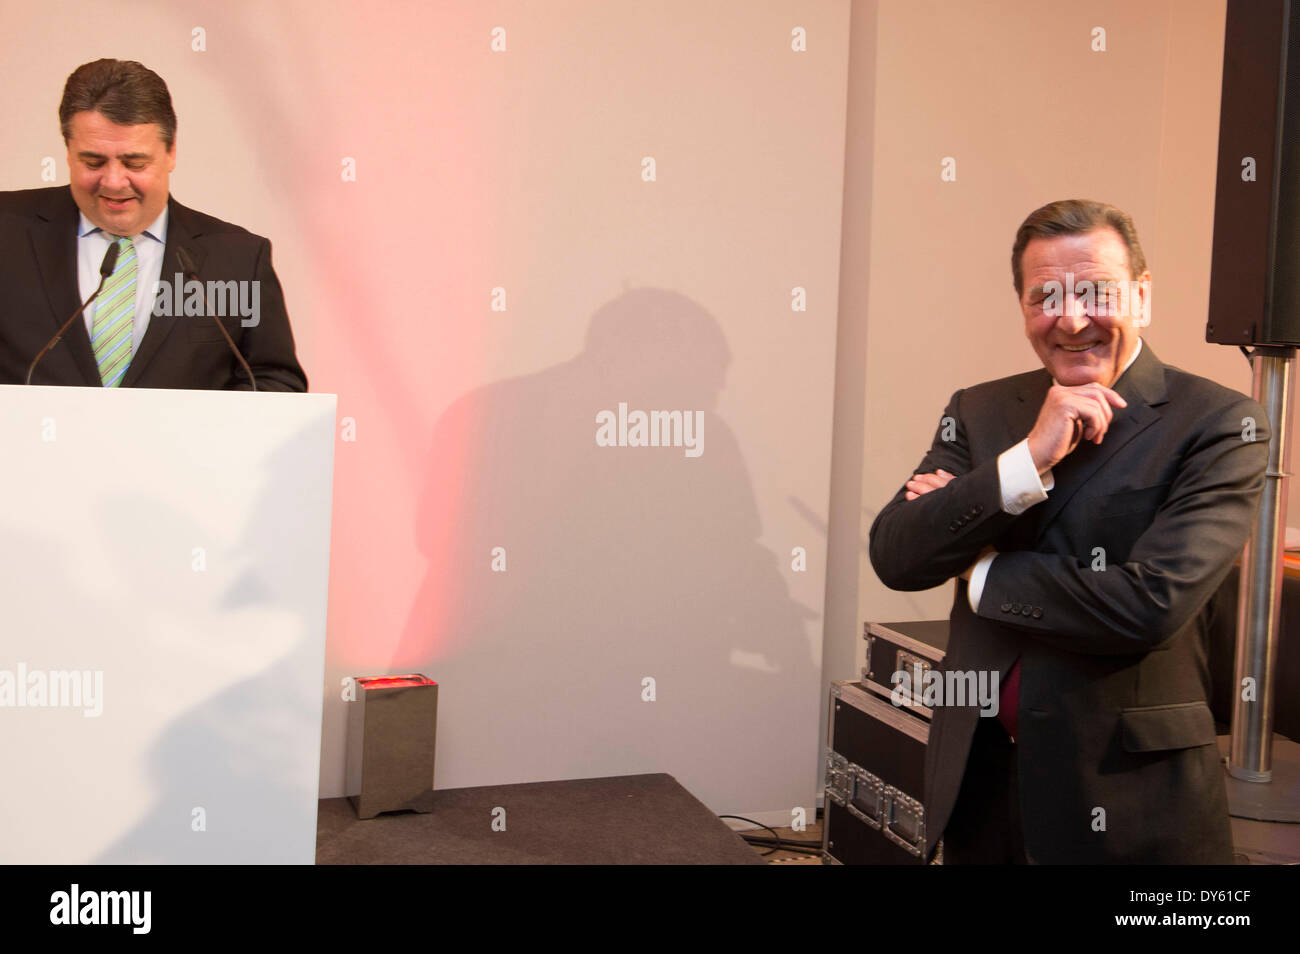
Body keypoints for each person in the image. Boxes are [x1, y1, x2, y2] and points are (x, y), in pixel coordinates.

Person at [869, 199, 1269, 863]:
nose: (1072, 318)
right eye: (1045, 296)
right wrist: (1025, 460)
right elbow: (897, 553)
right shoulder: (981, 409)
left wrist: (980, 566)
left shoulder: (1220, 423)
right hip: (981, 779)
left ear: (1141, 296)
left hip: (1126, 798)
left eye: (1096, 291)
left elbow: (1150, 605)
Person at [0, 58, 306, 390]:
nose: (114, 181)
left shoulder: (237, 260)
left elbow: (275, 383)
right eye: (93, 161)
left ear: (171, 151)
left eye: (134, 162)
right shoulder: (8, 231)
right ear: (68, 151)